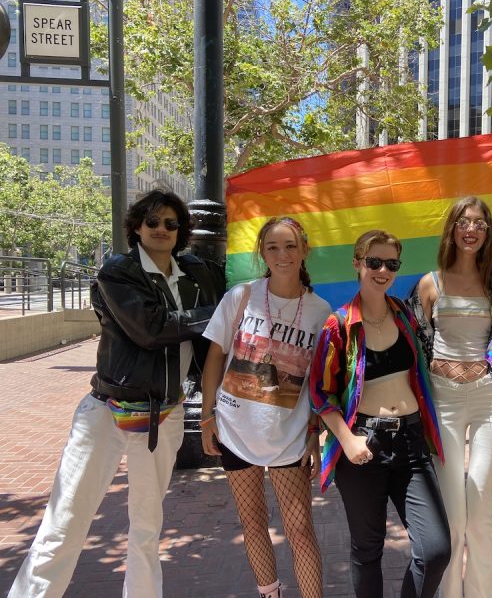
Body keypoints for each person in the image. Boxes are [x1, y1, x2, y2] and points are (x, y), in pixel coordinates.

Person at [9, 190, 223, 598]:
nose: (162, 229)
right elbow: (151, 328)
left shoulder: (197, 272)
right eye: (153, 221)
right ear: (137, 228)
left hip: (165, 414)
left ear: (182, 230)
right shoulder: (117, 272)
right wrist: (218, 312)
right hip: (107, 411)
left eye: (171, 223)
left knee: (147, 525)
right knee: (66, 520)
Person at [308, 229, 451, 598]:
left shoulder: (403, 313)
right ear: (357, 264)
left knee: (435, 550)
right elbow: (320, 393)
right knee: (367, 550)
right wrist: (346, 439)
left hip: (411, 442)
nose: (382, 270)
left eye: (391, 263)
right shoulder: (338, 325)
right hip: (363, 445)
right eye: (374, 262)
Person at [407, 196, 492, 597]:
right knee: (452, 517)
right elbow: (409, 349)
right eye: (464, 221)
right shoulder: (430, 283)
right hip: (441, 400)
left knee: (479, 513)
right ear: (451, 229)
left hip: (489, 400)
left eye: (480, 223)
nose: (472, 229)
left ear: (488, 231)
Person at [200, 217, 329, 598]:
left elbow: (320, 383)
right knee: (252, 522)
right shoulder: (241, 296)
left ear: (304, 249)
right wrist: (207, 416)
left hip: (287, 436)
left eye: (290, 245)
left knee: (300, 528)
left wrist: (313, 433)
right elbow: (215, 356)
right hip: (235, 431)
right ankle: (269, 594)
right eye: (272, 247)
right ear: (262, 253)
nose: (282, 255)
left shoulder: (321, 312)